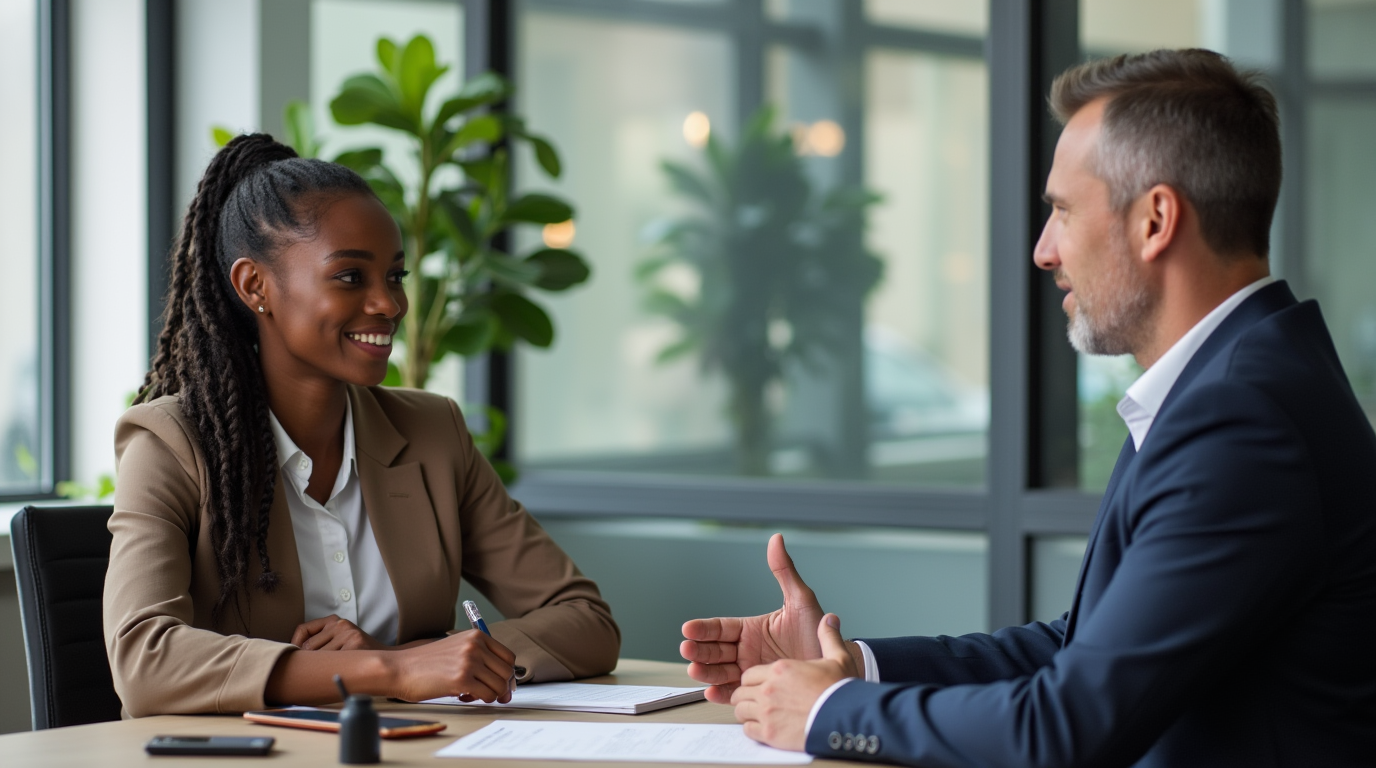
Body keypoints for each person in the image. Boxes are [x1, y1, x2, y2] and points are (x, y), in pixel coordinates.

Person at [681, 49, 1376, 767]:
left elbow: (1065, 728)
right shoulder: (1234, 383)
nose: (1043, 251)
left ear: (1156, 220)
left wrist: (828, 711)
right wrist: (853, 666)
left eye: (1063, 211)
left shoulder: (1241, 420)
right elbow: (1083, 646)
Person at [104, 134, 619, 717]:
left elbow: (585, 619)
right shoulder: (170, 445)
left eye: (395, 276)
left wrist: (439, 657)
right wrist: (390, 671)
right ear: (256, 287)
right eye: (351, 277)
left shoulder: (431, 433)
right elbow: (144, 661)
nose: (390, 304)